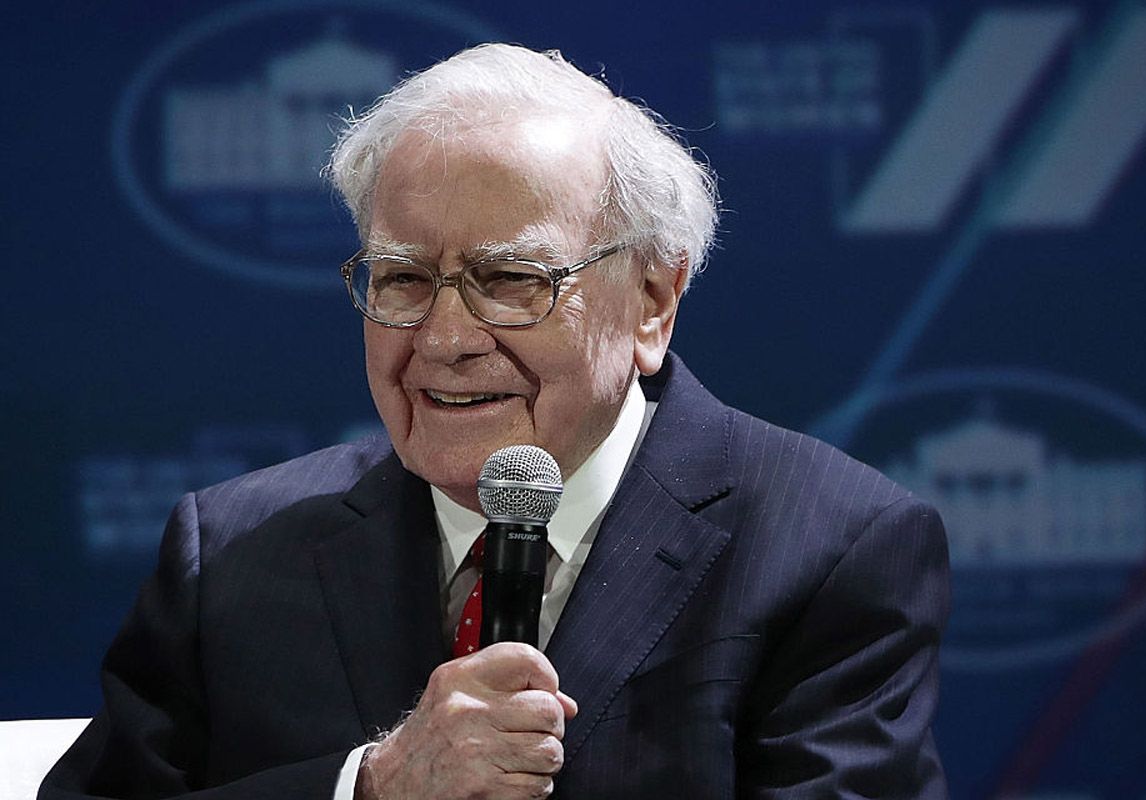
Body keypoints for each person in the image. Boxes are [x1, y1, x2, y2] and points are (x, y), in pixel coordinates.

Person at [42, 43, 949, 799]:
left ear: (652, 303)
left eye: (511, 280)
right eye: (401, 278)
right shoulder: (234, 550)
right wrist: (369, 786)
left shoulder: (829, 547)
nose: (442, 339)